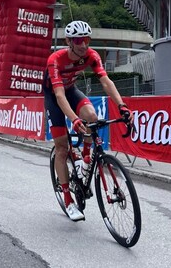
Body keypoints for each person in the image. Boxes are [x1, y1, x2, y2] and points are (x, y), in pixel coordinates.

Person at [43, 20, 131, 222]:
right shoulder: (55, 59)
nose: (83, 44)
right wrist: (73, 119)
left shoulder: (91, 55)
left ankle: (85, 159)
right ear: (69, 41)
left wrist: (122, 105)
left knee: (92, 117)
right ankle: (67, 199)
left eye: (87, 39)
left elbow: (106, 82)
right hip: (54, 96)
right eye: (78, 40)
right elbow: (58, 95)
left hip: (71, 90)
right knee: (62, 147)